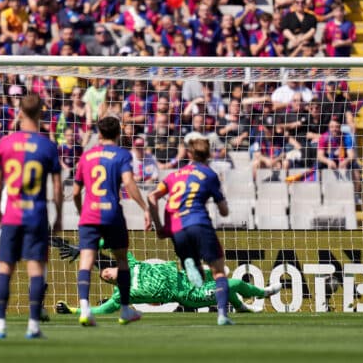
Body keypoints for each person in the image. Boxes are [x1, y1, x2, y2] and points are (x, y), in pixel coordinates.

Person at [72, 116, 157, 326]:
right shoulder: (121, 155)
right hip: (112, 214)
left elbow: (75, 192)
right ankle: (125, 310)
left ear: (99, 134)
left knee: (86, 260)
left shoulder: (86, 156)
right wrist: (145, 208)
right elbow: (128, 183)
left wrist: (81, 211)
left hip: (89, 215)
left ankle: (85, 310)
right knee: (121, 261)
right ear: (119, 133)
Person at [0, 94, 63, 340]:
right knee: (35, 269)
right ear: (41, 112)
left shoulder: (5, 144)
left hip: (12, 215)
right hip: (36, 216)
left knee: (5, 268)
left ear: (19, 112)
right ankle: (33, 325)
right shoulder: (47, 146)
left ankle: (0, 326)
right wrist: (59, 216)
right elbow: (57, 187)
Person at [147, 134, 234, 325]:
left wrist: (159, 226)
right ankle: (222, 315)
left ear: (188, 154)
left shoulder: (173, 176)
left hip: (176, 228)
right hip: (199, 223)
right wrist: (221, 202)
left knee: (197, 275)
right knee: (218, 272)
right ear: (208, 154)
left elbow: (152, 196)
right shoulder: (209, 174)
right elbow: (224, 211)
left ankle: (189, 262)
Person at [55, 251, 282, 316]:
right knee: (231, 284)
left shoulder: (131, 262)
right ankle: (262, 293)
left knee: (222, 278)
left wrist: (86, 248)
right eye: (105, 278)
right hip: (189, 295)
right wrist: (73, 310)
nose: (106, 274)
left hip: (186, 277)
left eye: (106, 270)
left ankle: (242, 307)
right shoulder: (122, 294)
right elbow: (100, 310)